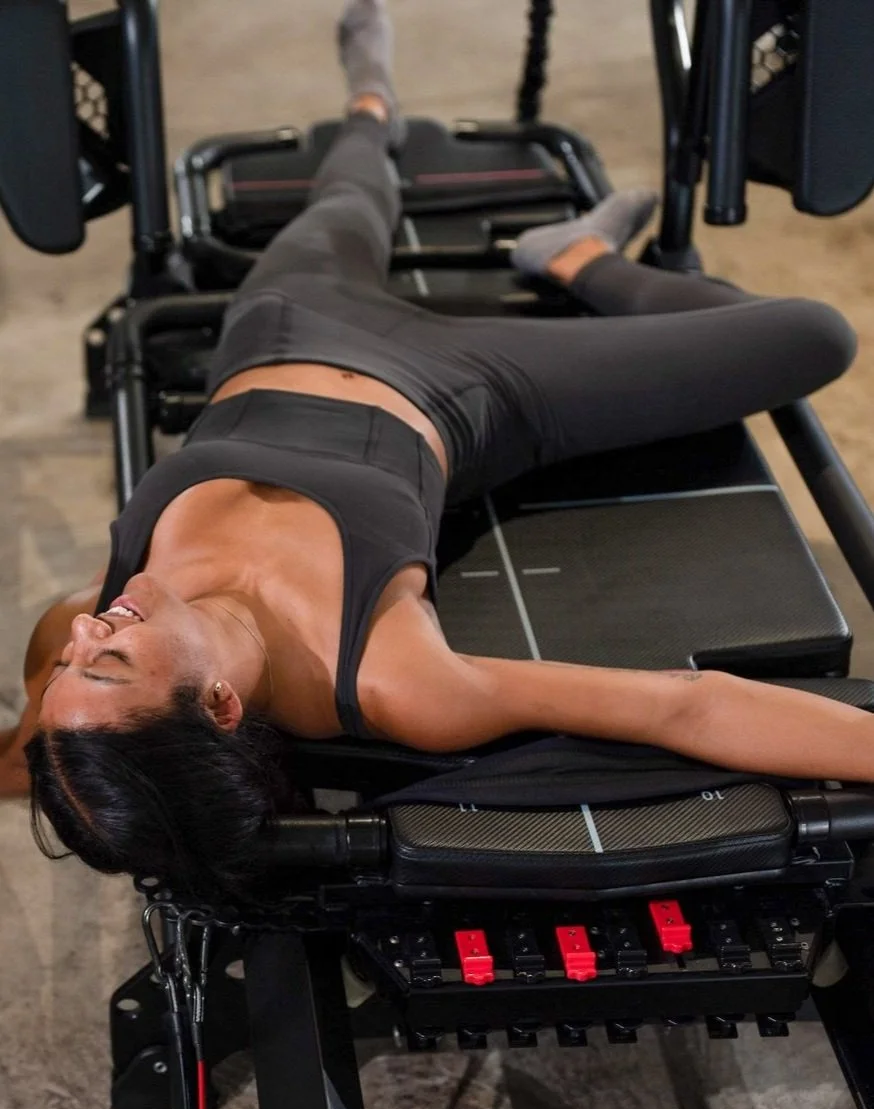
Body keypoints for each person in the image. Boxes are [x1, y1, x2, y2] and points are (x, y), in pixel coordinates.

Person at [1, 0, 866, 901]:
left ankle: (370, 98)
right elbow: (685, 707)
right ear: (219, 704)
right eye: (106, 663)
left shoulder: (74, 623)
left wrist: (78, 739)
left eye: (70, 665)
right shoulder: (395, 682)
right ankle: (576, 260)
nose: (85, 634)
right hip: (470, 391)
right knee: (813, 335)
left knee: (354, 187)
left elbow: (45, 766)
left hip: (292, 319)